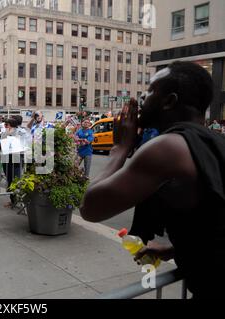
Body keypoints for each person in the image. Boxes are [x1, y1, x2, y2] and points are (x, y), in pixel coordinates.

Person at [80, 61, 225, 299]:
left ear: (169, 101)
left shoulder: (168, 148)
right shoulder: (215, 142)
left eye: (149, 92)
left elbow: (90, 208)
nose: (142, 99)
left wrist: (120, 148)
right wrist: (176, 249)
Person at [0, 118, 23, 208]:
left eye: (7, 125)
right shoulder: (4, 134)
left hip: (16, 161)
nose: (5, 126)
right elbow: (2, 146)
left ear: (12, 126)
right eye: (5, 125)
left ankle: (18, 199)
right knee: (9, 180)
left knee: (16, 181)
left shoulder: (19, 134)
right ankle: (12, 200)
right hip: (6, 160)